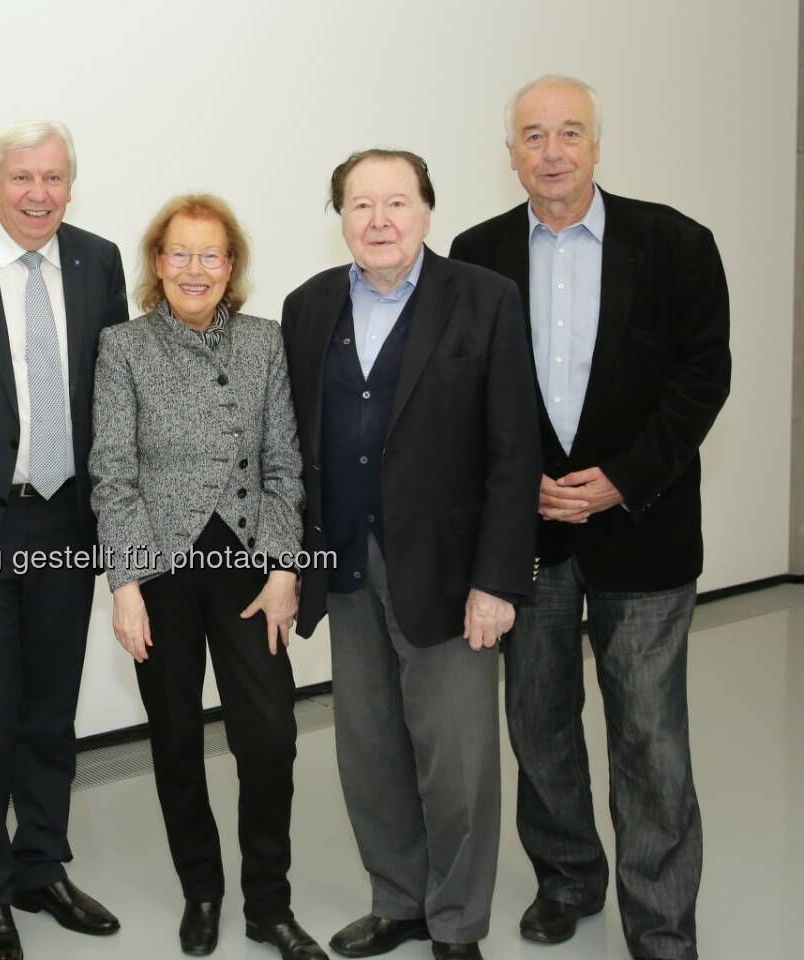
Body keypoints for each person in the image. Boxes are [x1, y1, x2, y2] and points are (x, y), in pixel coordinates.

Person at [449, 75, 730, 960]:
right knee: (538, 721)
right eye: (534, 136)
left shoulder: (677, 243)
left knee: (650, 736)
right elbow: (462, 390)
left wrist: (622, 478)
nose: (553, 152)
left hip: (641, 530)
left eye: (570, 133)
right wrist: (513, 478)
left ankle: (661, 922)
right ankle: (568, 876)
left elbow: (701, 379)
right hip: (524, 537)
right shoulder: (475, 252)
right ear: (511, 154)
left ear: (597, 146)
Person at [281, 149, 540, 960]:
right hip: (347, 565)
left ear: (427, 211)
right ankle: (399, 901)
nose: (380, 220)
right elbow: (292, 446)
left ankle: (458, 922)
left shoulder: (487, 300)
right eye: (361, 205)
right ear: (340, 217)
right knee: (369, 748)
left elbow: (513, 451)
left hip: (452, 575)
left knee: (458, 762)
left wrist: (497, 580)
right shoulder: (309, 304)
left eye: (397, 202)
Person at [91, 194, 324, 960]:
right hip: (159, 570)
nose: (196, 269)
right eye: (180, 254)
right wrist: (123, 584)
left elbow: (288, 463)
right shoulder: (124, 347)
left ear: (232, 267)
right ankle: (202, 890)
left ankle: (269, 902)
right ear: (158, 264)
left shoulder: (263, 342)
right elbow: (113, 474)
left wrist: (288, 566)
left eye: (211, 255)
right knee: (177, 738)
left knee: (270, 736)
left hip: (249, 565)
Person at [0, 120, 128, 960]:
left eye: (52, 177)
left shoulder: (99, 258)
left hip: (67, 519)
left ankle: (40, 863)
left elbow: (114, 391)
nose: (38, 193)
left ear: (70, 185)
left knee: (51, 706)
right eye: (21, 178)